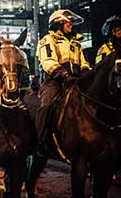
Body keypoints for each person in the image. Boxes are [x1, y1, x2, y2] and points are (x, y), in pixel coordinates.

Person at [35, 9, 90, 143]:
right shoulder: (48, 40)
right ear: (58, 23)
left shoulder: (76, 43)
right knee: (46, 105)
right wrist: (64, 74)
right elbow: (48, 61)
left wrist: (87, 73)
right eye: (68, 22)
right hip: (54, 82)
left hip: (75, 81)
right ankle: (40, 142)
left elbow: (83, 62)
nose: (71, 24)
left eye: (71, 22)